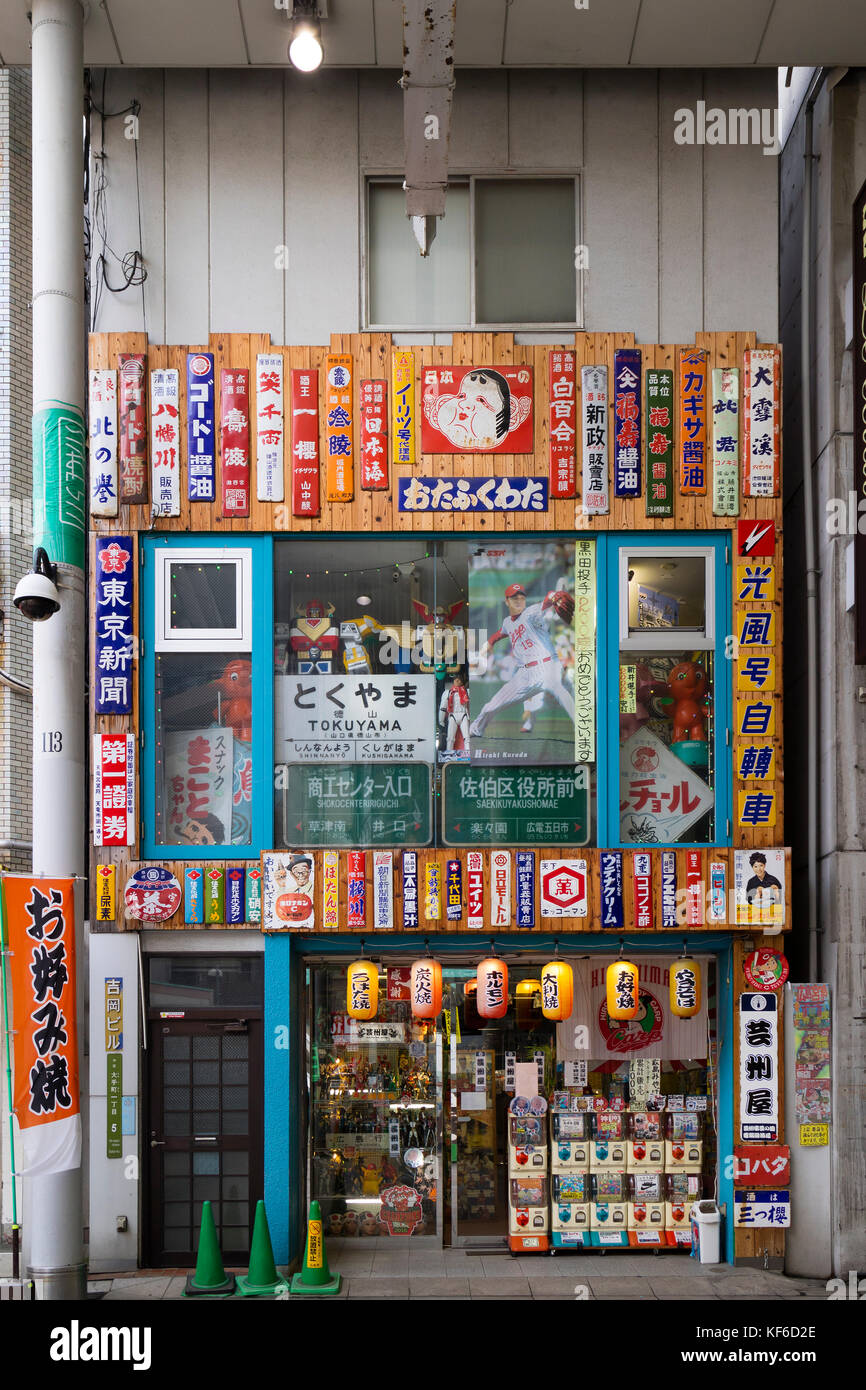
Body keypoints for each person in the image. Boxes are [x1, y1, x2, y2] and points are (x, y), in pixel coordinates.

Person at [469, 583, 575, 739]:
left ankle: (584, 729)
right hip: (525, 674)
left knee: (564, 694)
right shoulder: (507, 622)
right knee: (490, 706)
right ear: (507, 601)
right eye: (514, 597)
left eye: (521, 597)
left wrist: (553, 595)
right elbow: (498, 635)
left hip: (548, 666)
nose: (518, 600)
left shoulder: (531, 612)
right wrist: (487, 647)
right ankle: (476, 729)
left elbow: (546, 601)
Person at [439, 672, 470, 757]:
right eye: (455, 678)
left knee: (467, 738)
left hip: (463, 714)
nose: (457, 680)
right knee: (450, 738)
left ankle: (468, 753)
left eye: (459, 678)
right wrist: (441, 720)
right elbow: (443, 707)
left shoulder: (467, 692)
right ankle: (449, 753)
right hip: (453, 715)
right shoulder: (448, 692)